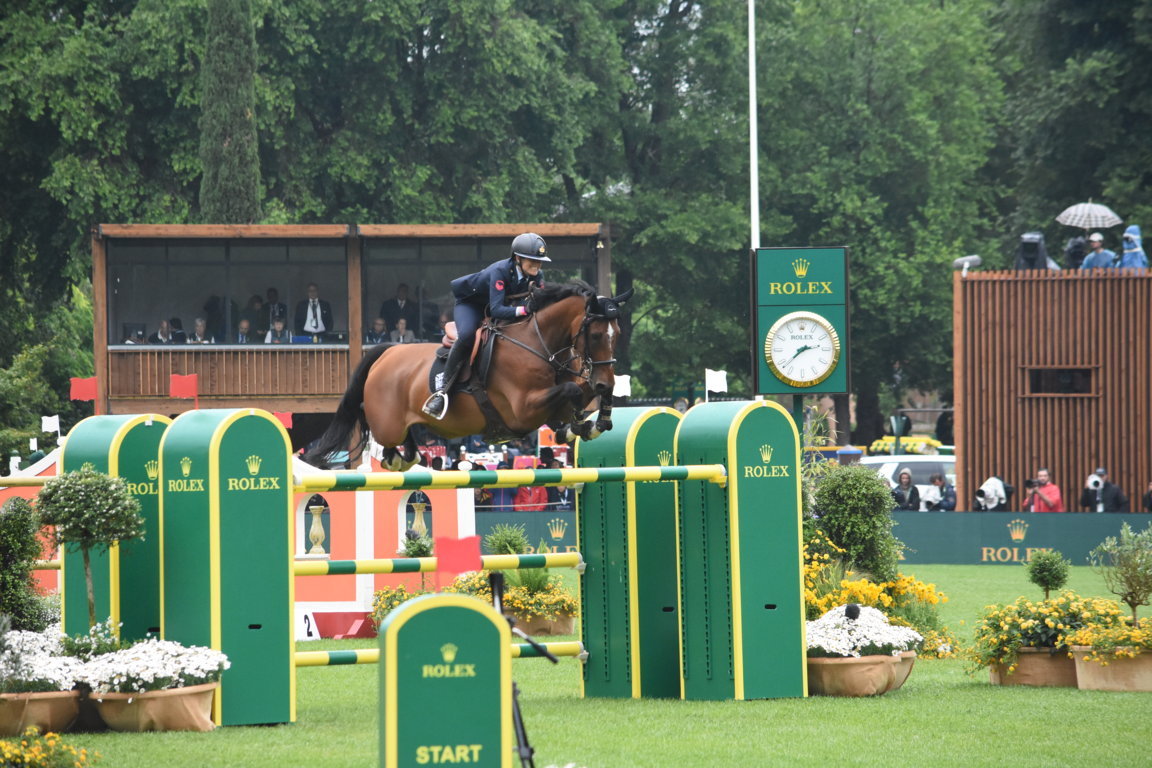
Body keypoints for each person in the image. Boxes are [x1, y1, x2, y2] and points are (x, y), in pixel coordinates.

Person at [422, 233, 550, 419]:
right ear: (518, 258)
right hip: (472, 305)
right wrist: (524, 310)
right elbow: (497, 310)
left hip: (500, 306)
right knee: (466, 335)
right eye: (532, 260)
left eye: (540, 261)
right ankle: (442, 392)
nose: (537, 265)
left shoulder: (538, 275)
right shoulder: (500, 271)